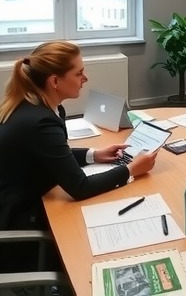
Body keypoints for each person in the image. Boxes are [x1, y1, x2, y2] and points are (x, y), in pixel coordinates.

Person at [0, 41, 157, 235]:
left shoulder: (37, 107)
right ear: (55, 82)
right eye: (78, 73)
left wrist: (94, 155)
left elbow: (52, 155)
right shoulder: (41, 122)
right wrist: (131, 169)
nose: (85, 78)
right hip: (19, 220)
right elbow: (80, 188)